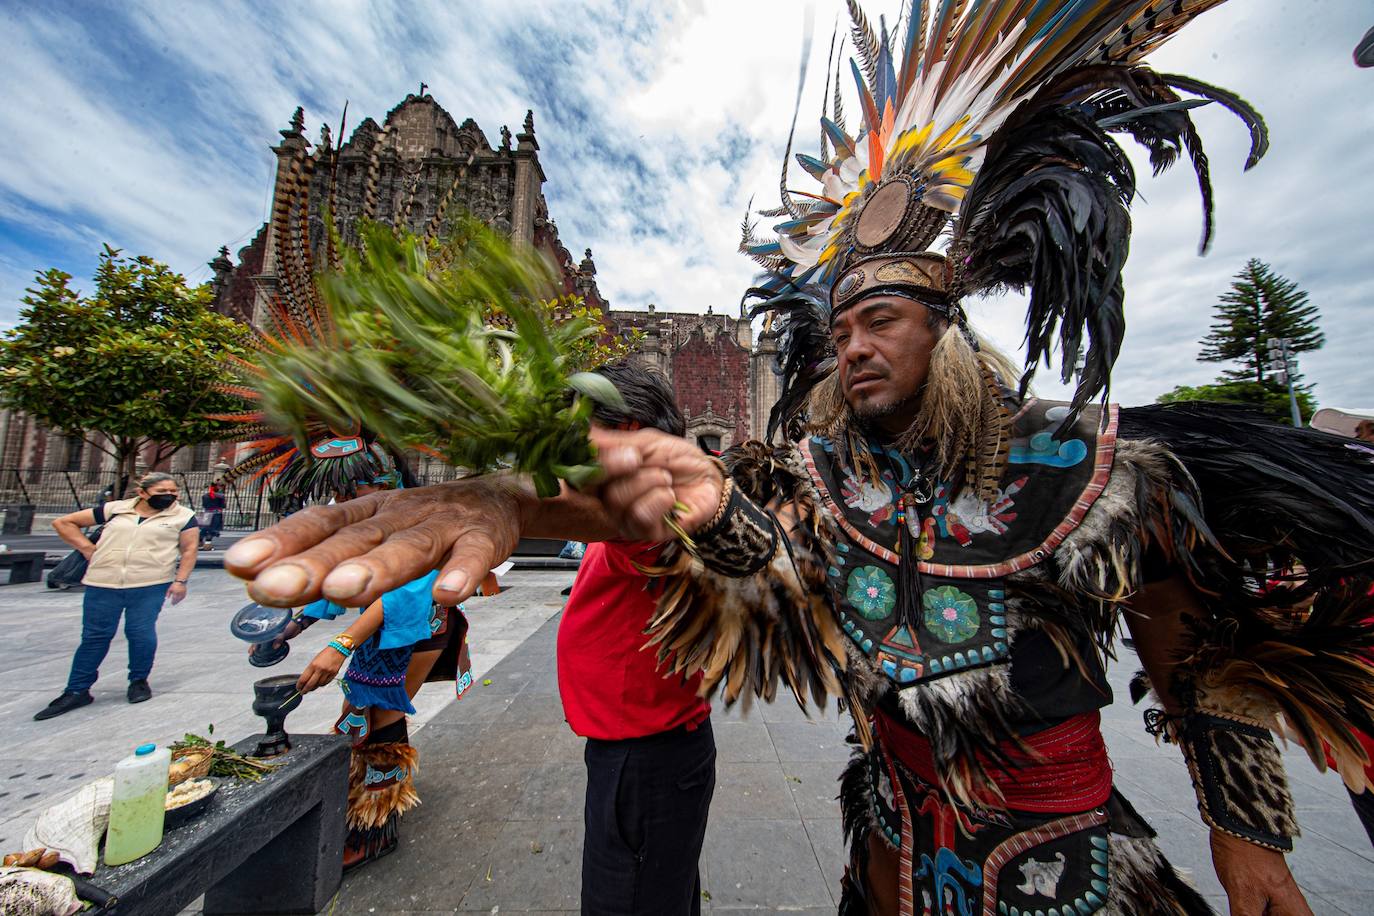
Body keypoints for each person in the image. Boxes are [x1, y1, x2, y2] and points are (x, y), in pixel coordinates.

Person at [223, 4, 1374, 913]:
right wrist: (521, 500)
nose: (853, 345)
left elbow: (1200, 641)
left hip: (1068, 867)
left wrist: (1248, 826)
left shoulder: (1097, 466)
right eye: (843, 325)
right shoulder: (833, 485)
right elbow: (723, 536)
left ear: (949, 325)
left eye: (881, 321)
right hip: (885, 851)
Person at [559, 362, 715, 916]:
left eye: (579, 429)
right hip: (642, 751)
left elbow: (639, 527)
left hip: (646, 759)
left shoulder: (653, 511)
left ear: (627, 435)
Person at [37, 472, 197, 719]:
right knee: (94, 636)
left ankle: (139, 681)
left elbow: (189, 550)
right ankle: (77, 689)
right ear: (142, 493)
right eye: (161, 492)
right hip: (103, 582)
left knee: (140, 633)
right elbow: (64, 522)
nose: (169, 496)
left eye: (173, 492)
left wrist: (180, 581)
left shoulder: (183, 516)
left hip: (150, 583)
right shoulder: (115, 509)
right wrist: (88, 549)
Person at [199, 480, 226, 549]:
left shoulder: (205, 496)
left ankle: (199, 541)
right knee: (212, 529)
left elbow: (204, 505)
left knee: (204, 529)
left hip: (207, 513)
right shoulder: (221, 496)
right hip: (216, 514)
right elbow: (223, 506)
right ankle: (207, 544)